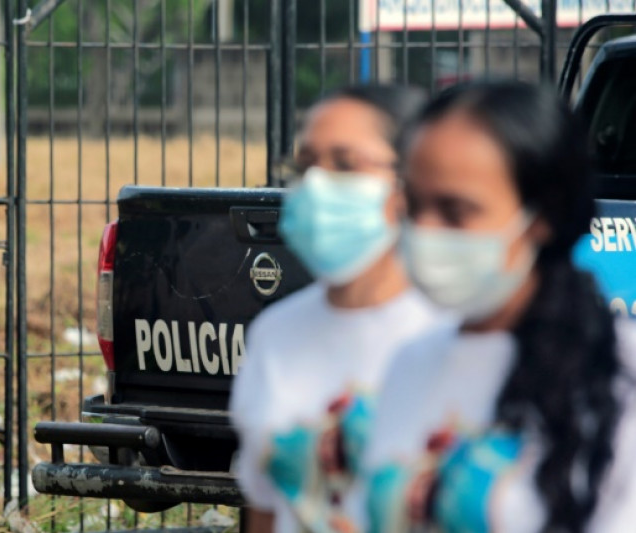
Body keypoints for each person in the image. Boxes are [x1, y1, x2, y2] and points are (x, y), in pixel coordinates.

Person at [358, 80, 636, 532]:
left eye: (455, 211)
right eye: (414, 205)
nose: (424, 231)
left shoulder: (621, 375)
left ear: (541, 216)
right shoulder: (408, 363)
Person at [229, 85, 442, 533]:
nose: (318, 187)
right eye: (307, 166)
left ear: (411, 181)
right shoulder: (276, 334)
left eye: (346, 165)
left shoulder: (452, 334)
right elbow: (265, 506)